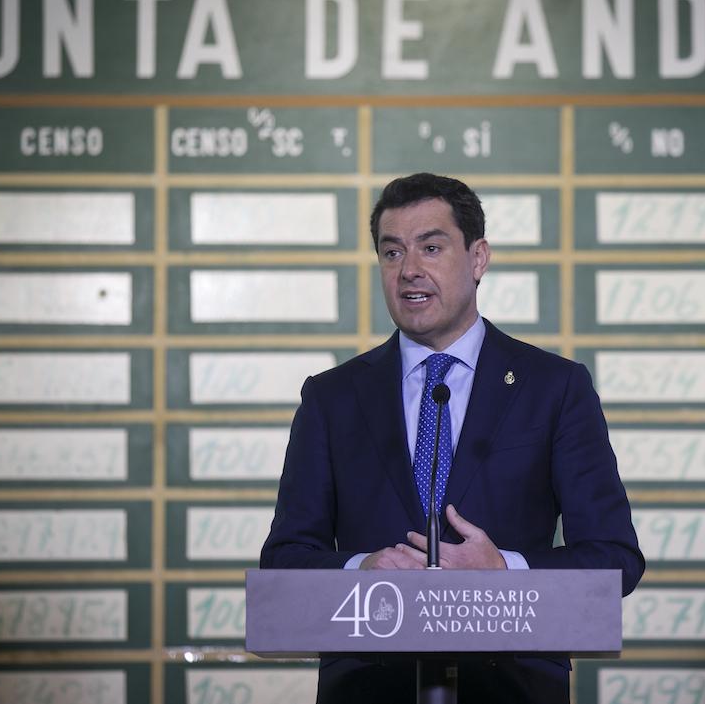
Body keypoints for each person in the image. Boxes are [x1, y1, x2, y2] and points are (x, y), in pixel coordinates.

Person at [259, 172, 644, 703]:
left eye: (431, 247)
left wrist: (504, 569)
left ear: (478, 258)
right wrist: (362, 570)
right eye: (391, 253)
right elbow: (284, 560)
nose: (409, 270)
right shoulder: (332, 397)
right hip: (370, 687)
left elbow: (615, 558)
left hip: (511, 687)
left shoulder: (555, 388)